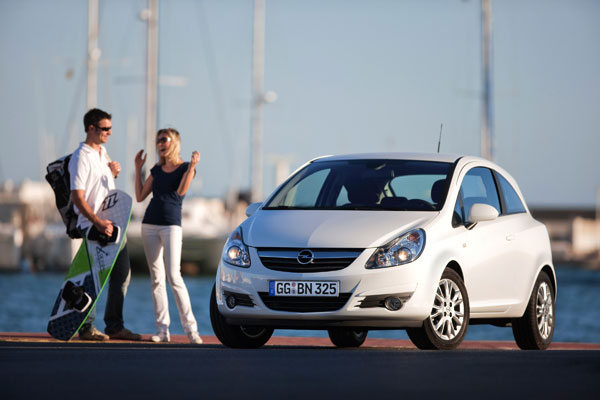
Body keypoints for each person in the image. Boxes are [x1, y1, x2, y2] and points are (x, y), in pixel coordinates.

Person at [70, 108, 141, 341]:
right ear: (91, 128)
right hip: (94, 225)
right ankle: (86, 327)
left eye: (110, 128)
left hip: (113, 222)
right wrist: (97, 222)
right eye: (105, 128)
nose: (110, 132)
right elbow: (78, 196)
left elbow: (101, 187)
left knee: (122, 273)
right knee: (94, 276)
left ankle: (114, 326)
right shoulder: (81, 157)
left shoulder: (102, 152)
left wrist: (112, 174)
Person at [134, 128, 202, 344]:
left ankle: (192, 331)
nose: (160, 143)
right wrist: (138, 169)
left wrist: (191, 168)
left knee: (175, 277)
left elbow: (181, 192)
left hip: (171, 226)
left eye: (164, 139)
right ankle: (163, 331)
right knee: (157, 280)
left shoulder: (184, 167)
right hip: (149, 224)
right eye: (158, 140)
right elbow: (140, 196)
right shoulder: (156, 169)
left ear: (174, 142)